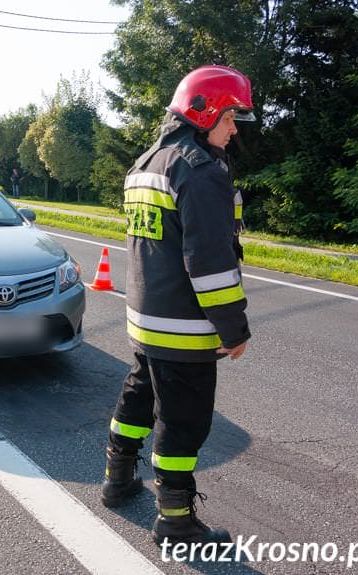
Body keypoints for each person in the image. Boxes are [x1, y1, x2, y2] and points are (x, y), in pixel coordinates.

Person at [99, 65, 255, 548]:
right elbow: (208, 262)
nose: (233, 130)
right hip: (184, 326)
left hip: (146, 319)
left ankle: (118, 477)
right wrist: (234, 328)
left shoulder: (147, 161)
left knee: (140, 394)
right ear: (203, 111)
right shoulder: (200, 170)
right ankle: (175, 519)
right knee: (184, 420)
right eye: (230, 118)